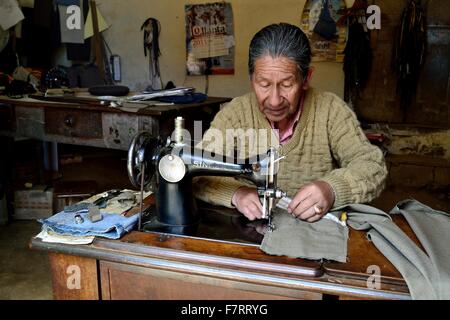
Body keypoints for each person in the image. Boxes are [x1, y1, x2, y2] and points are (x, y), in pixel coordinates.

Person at [193, 23, 387, 223]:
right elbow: (196, 172)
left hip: (315, 234)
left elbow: (372, 167)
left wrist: (332, 189)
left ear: (306, 79)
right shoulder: (235, 114)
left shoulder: (331, 110)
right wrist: (237, 193)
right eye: (264, 84)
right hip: (251, 230)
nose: (275, 100)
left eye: (287, 85)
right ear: (252, 79)